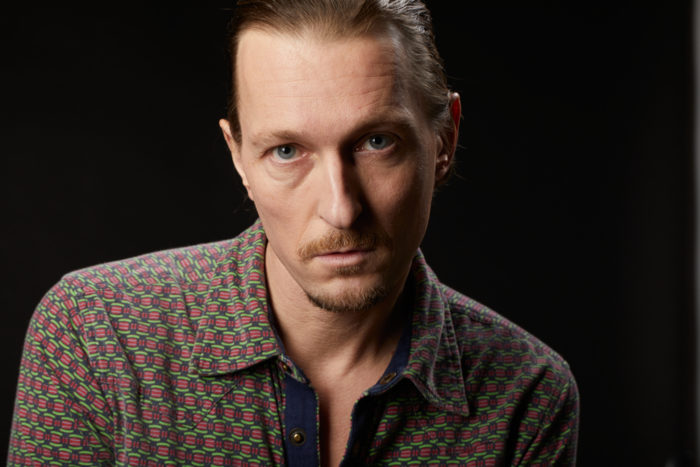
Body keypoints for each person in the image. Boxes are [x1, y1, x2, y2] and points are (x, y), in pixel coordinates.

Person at [9, 0, 579, 465]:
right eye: (287, 151)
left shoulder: (527, 394)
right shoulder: (95, 335)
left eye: (376, 142)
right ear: (238, 156)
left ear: (444, 141)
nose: (341, 209)